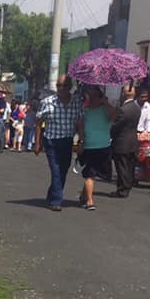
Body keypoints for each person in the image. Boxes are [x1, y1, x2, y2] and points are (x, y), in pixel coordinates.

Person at [36, 75, 83, 211]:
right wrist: (37, 143)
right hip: (51, 140)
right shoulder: (47, 102)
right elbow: (38, 122)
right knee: (56, 169)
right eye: (58, 85)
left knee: (63, 169)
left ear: (70, 87)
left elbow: (80, 123)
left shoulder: (77, 102)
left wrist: (81, 141)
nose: (61, 88)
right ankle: (56, 200)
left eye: (64, 86)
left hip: (67, 140)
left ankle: (52, 194)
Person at [76, 85, 115, 211]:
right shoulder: (84, 111)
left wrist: (106, 103)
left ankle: (83, 196)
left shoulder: (105, 109)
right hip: (89, 146)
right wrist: (80, 142)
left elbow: (114, 116)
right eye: (89, 95)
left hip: (104, 146)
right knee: (90, 174)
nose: (92, 98)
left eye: (94, 95)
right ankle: (89, 201)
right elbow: (80, 128)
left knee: (94, 174)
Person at [110, 84, 141, 198]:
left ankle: (122, 189)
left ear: (124, 94)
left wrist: (110, 132)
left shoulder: (123, 110)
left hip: (122, 142)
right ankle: (127, 187)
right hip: (132, 141)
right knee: (129, 166)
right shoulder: (137, 108)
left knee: (122, 167)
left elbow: (117, 126)